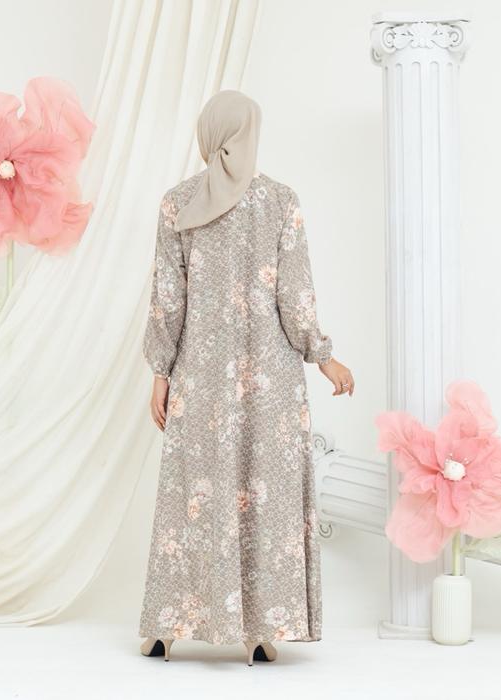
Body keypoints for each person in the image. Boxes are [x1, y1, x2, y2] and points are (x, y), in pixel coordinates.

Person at [138, 90, 354, 666]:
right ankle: (261, 630)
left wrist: (161, 371)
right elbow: (295, 295)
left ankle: (166, 627)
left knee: (194, 496)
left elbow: (168, 300)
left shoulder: (178, 203)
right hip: (269, 383)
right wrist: (323, 356)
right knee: (265, 494)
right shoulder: (279, 201)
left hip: (201, 380)